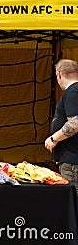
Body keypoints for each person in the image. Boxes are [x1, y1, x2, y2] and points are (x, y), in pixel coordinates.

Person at [45, 59, 78, 193]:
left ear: (59, 74)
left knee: (74, 202)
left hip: (73, 163)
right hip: (72, 161)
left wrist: (54, 139)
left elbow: (75, 123)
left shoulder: (72, 92)